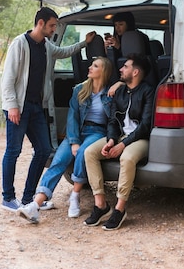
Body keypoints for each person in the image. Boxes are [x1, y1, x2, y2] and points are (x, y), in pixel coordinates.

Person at [0, 6, 98, 212]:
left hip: (36, 108)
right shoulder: (19, 44)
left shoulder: (46, 45)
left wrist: (84, 43)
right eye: (52, 25)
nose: (54, 29)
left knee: (44, 150)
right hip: (18, 107)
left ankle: (29, 198)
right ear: (41, 23)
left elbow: (63, 52)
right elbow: (8, 79)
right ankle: (8, 198)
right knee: (13, 151)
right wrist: (12, 106)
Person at [16, 56, 113, 223]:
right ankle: (35, 205)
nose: (90, 67)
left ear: (103, 72)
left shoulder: (111, 93)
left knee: (83, 153)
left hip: (97, 132)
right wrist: (74, 140)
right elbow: (72, 118)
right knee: (59, 160)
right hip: (77, 131)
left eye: (95, 66)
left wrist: (119, 84)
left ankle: (75, 196)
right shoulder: (80, 90)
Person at [83, 53, 155, 231]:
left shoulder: (148, 91)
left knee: (127, 158)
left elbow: (145, 126)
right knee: (90, 152)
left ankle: (120, 209)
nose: (121, 69)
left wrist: (122, 145)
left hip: (140, 139)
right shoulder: (120, 91)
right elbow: (113, 121)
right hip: (120, 136)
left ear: (136, 72)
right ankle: (100, 204)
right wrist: (111, 140)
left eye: (126, 67)